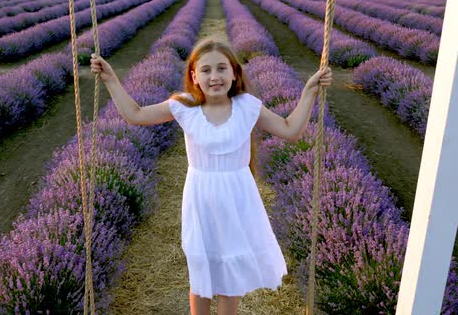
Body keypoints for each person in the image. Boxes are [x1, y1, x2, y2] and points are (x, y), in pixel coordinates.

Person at [90, 38, 332, 315]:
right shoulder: (184, 106)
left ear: (234, 73)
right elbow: (135, 114)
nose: (214, 77)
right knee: (201, 271)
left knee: (230, 272)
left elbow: (290, 130)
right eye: (205, 70)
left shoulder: (247, 106)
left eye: (221, 69)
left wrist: (309, 92)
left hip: (238, 199)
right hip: (201, 199)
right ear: (194, 76)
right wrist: (110, 79)